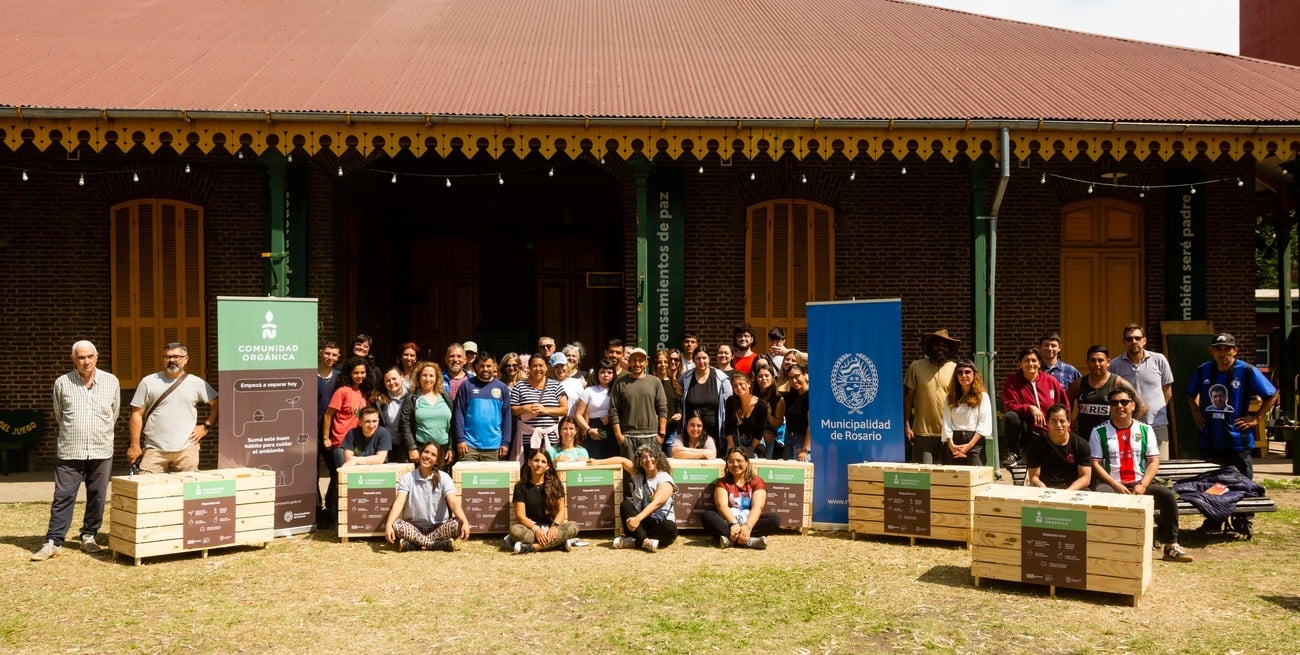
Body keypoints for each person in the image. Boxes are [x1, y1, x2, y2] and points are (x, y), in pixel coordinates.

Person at [32, 341, 121, 561]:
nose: (86, 361)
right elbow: (59, 414)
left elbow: (114, 413)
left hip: (101, 449)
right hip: (71, 449)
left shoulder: (111, 382)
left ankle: (89, 535)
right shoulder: (62, 383)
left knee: (97, 496)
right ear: (73, 359)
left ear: (97, 356)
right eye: (81, 357)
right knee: (63, 496)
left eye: (90, 356)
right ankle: (53, 541)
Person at [1090, 388, 1193, 562]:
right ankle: (1108, 548)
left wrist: (1143, 485)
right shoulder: (1098, 431)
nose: (1119, 406)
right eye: (1114, 403)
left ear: (1132, 405)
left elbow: (1153, 461)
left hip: (1139, 484)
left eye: (1124, 402)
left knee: (1167, 495)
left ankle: (1171, 545)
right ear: (1110, 407)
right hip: (1112, 485)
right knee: (1101, 496)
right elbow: (1095, 464)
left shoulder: (1145, 430)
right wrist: (1115, 485)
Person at [1187, 333, 1277, 479]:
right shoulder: (1203, 370)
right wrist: (1196, 413)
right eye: (1218, 349)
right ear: (1211, 351)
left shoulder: (1247, 371)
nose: (1223, 353)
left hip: (1238, 442)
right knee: (1210, 487)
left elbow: (1272, 394)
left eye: (1227, 349)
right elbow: (1191, 394)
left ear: (1235, 350)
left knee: (1242, 486)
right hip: (1210, 441)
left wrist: (1257, 418)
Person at [127, 342, 218, 473]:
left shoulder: (197, 383)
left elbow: (217, 403)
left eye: (176, 357)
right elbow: (136, 414)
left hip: (187, 449)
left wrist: (206, 426)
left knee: (187, 491)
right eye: (167, 357)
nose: (172, 360)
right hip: (154, 449)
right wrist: (134, 446)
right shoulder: (148, 382)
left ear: (186, 359)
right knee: (149, 491)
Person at [384, 442, 471, 552]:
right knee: (396, 525)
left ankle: (415, 545)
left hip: (439, 528)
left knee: (457, 523)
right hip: (414, 528)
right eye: (426, 452)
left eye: (433, 455)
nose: (428, 456)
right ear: (420, 454)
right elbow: (399, 503)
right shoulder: (407, 478)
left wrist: (465, 522)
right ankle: (436, 545)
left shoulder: (444, 478)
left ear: (437, 460)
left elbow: (453, 502)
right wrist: (388, 525)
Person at [592, 445, 679, 552]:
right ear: (640, 462)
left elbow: (657, 503)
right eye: (644, 457)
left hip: (658, 523)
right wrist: (597, 462)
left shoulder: (665, 478)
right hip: (640, 524)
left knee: (670, 528)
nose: (648, 460)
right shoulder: (638, 474)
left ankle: (635, 541)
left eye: (651, 456)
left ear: (657, 457)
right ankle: (645, 541)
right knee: (626, 505)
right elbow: (622, 461)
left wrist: (637, 519)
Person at [1110, 323, 1176, 460]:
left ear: (1144, 340)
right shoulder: (1115, 365)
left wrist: (1157, 410)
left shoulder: (1159, 360)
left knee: (1161, 468)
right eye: (1129, 339)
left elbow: (1167, 390)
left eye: (1137, 338)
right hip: (1129, 425)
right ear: (1124, 342)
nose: (1134, 342)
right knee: (1133, 466)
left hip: (1157, 424)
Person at [319, 356, 372, 527]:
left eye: (362, 372)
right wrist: (326, 438)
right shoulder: (342, 391)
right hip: (340, 442)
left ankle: (349, 516)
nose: (360, 376)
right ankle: (336, 518)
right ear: (350, 374)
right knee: (341, 479)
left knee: (349, 480)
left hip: (356, 444)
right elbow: (328, 415)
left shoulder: (363, 393)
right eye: (356, 372)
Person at [1000, 347, 1068, 467]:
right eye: (1026, 360)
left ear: (1040, 363)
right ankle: (1015, 453)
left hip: (1048, 429)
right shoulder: (1012, 381)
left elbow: (1064, 406)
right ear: (1020, 364)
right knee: (1010, 416)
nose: (1030, 364)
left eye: (1034, 360)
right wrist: (1029, 408)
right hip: (1026, 429)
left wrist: (1066, 430)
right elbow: (1009, 405)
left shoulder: (1050, 381)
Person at [504, 449, 580, 553]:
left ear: (548, 466)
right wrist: (536, 530)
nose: (539, 464)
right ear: (529, 462)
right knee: (515, 531)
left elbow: (561, 511)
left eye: (543, 462)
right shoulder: (520, 486)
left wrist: (555, 526)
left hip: (551, 529)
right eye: (536, 460)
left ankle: (532, 547)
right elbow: (520, 516)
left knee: (573, 526)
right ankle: (559, 543)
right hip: (531, 529)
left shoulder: (555, 484)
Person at [701, 448, 779, 549]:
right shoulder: (722, 482)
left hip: (750, 522)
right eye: (731, 461)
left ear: (746, 462)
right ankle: (749, 541)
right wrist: (733, 524)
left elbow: (757, 507)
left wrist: (747, 527)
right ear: (727, 464)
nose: (735, 464)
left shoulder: (757, 481)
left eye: (739, 461)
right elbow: (722, 506)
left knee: (774, 519)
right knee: (707, 516)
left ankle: (730, 540)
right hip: (729, 523)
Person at [904, 329, 959, 465]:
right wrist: (907, 426)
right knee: (923, 478)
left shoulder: (956, 368)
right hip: (923, 433)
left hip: (949, 433)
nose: (941, 347)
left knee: (949, 477)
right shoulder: (916, 366)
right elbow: (908, 397)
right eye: (937, 344)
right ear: (929, 347)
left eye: (945, 345)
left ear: (950, 349)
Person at [1070, 345, 1147, 442]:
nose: (1096, 364)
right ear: (1087, 362)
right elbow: (1064, 405)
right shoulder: (1078, 383)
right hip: (1084, 440)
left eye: (1100, 360)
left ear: (1108, 362)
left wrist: (1126, 428)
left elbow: (1142, 407)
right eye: (1092, 360)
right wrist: (1069, 423)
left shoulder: (1118, 382)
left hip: (1110, 440)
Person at [452, 353, 513, 462]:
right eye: (482, 366)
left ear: (495, 366)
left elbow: (507, 416)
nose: (485, 369)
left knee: (491, 479)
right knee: (467, 478)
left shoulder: (502, 388)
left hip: (494, 446)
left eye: (488, 366)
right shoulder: (466, 386)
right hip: (469, 446)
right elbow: (459, 414)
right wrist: (460, 439)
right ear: (476, 366)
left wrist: (505, 442)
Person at [608, 347, 668, 457]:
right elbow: (613, 410)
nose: (637, 363)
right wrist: (619, 436)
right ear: (629, 362)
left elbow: (662, 408)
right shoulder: (620, 383)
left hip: (651, 436)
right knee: (631, 473)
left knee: (651, 472)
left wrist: (661, 434)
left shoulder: (655, 382)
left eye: (640, 360)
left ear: (646, 362)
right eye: (634, 360)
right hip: (628, 437)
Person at [512, 352, 569, 456]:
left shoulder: (556, 385)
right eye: (534, 366)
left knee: (551, 467)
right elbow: (513, 410)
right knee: (528, 468)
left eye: (541, 365)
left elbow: (565, 409)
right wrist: (525, 408)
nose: (538, 369)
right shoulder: (519, 386)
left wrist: (545, 410)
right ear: (529, 368)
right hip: (527, 439)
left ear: (546, 367)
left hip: (551, 438)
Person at [399, 361, 453, 466]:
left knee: (440, 481)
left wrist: (451, 447)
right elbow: (404, 424)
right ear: (418, 377)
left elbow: (453, 424)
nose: (428, 379)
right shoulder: (412, 398)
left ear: (437, 378)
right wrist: (412, 448)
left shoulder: (445, 397)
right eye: (424, 375)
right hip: (421, 450)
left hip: (443, 450)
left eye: (431, 376)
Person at [1025, 404, 1091, 490]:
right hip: (1046, 490)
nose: (1058, 425)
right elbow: (1034, 477)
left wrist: (1067, 492)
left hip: (1072, 489)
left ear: (1069, 422)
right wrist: (1043, 489)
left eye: (1062, 421)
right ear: (1047, 422)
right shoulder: (1036, 445)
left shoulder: (1081, 444)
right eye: (1054, 421)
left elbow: (1085, 478)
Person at [940, 359, 991, 466]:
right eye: (960, 372)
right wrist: (951, 445)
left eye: (967, 372)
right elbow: (946, 422)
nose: (964, 375)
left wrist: (968, 446)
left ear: (974, 375)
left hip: (974, 442)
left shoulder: (982, 397)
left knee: (975, 477)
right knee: (954, 478)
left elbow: (983, 424)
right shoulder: (950, 397)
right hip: (953, 442)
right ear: (956, 376)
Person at [681, 347, 731, 444]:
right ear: (693, 360)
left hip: (715, 431)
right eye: (698, 358)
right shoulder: (685, 378)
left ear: (709, 359)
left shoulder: (721, 378)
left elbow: (729, 405)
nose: (701, 361)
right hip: (692, 432)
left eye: (704, 358)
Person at [575, 358, 618, 459]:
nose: (606, 375)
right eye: (602, 372)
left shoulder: (617, 390)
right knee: (595, 459)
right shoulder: (589, 391)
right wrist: (589, 430)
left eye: (609, 372)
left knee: (612, 459)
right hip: (594, 428)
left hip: (613, 427)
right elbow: (578, 414)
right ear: (597, 374)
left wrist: (611, 417)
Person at [725, 371, 769, 457]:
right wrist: (731, 447)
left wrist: (751, 449)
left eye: (741, 384)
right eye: (735, 386)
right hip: (735, 442)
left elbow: (761, 430)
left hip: (754, 443)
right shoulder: (730, 402)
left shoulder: (761, 405)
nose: (738, 387)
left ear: (749, 384)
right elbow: (728, 426)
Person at [772, 363, 810, 461]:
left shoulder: (811, 396)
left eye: (796, 376)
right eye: (790, 378)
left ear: (804, 374)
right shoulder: (791, 396)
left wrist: (805, 449)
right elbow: (777, 392)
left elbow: (812, 425)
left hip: (802, 442)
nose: (794, 381)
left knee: (799, 474)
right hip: (788, 439)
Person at [1039, 331, 1082, 399]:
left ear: (1059, 348)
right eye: (1046, 345)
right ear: (1040, 347)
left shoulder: (1070, 371)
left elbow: (1083, 393)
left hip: (1063, 409)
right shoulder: (1035, 370)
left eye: (1053, 346)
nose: (1050, 348)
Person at [654, 349, 683, 449]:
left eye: (665, 362)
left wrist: (679, 414)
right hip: (654, 431)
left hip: (671, 431)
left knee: (671, 462)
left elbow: (678, 404)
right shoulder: (651, 382)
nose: (663, 365)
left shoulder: (674, 383)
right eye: (659, 362)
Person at [753, 362, 782, 457]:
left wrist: (769, 416)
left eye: (767, 375)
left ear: (773, 378)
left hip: (769, 438)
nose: (763, 379)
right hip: (751, 435)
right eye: (760, 376)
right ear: (756, 379)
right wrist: (761, 433)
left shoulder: (778, 398)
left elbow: (778, 423)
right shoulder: (751, 394)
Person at [378, 367, 408, 456]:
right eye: (388, 380)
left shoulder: (412, 396)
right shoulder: (380, 401)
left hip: (408, 445)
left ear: (402, 377)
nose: (391, 383)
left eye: (394, 379)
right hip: (389, 446)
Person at [551, 351, 585, 416]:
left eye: (562, 366)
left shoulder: (576, 383)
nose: (560, 369)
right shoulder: (549, 384)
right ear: (552, 369)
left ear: (567, 366)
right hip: (555, 425)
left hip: (574, 423)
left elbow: (584, 406)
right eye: (556, 367)